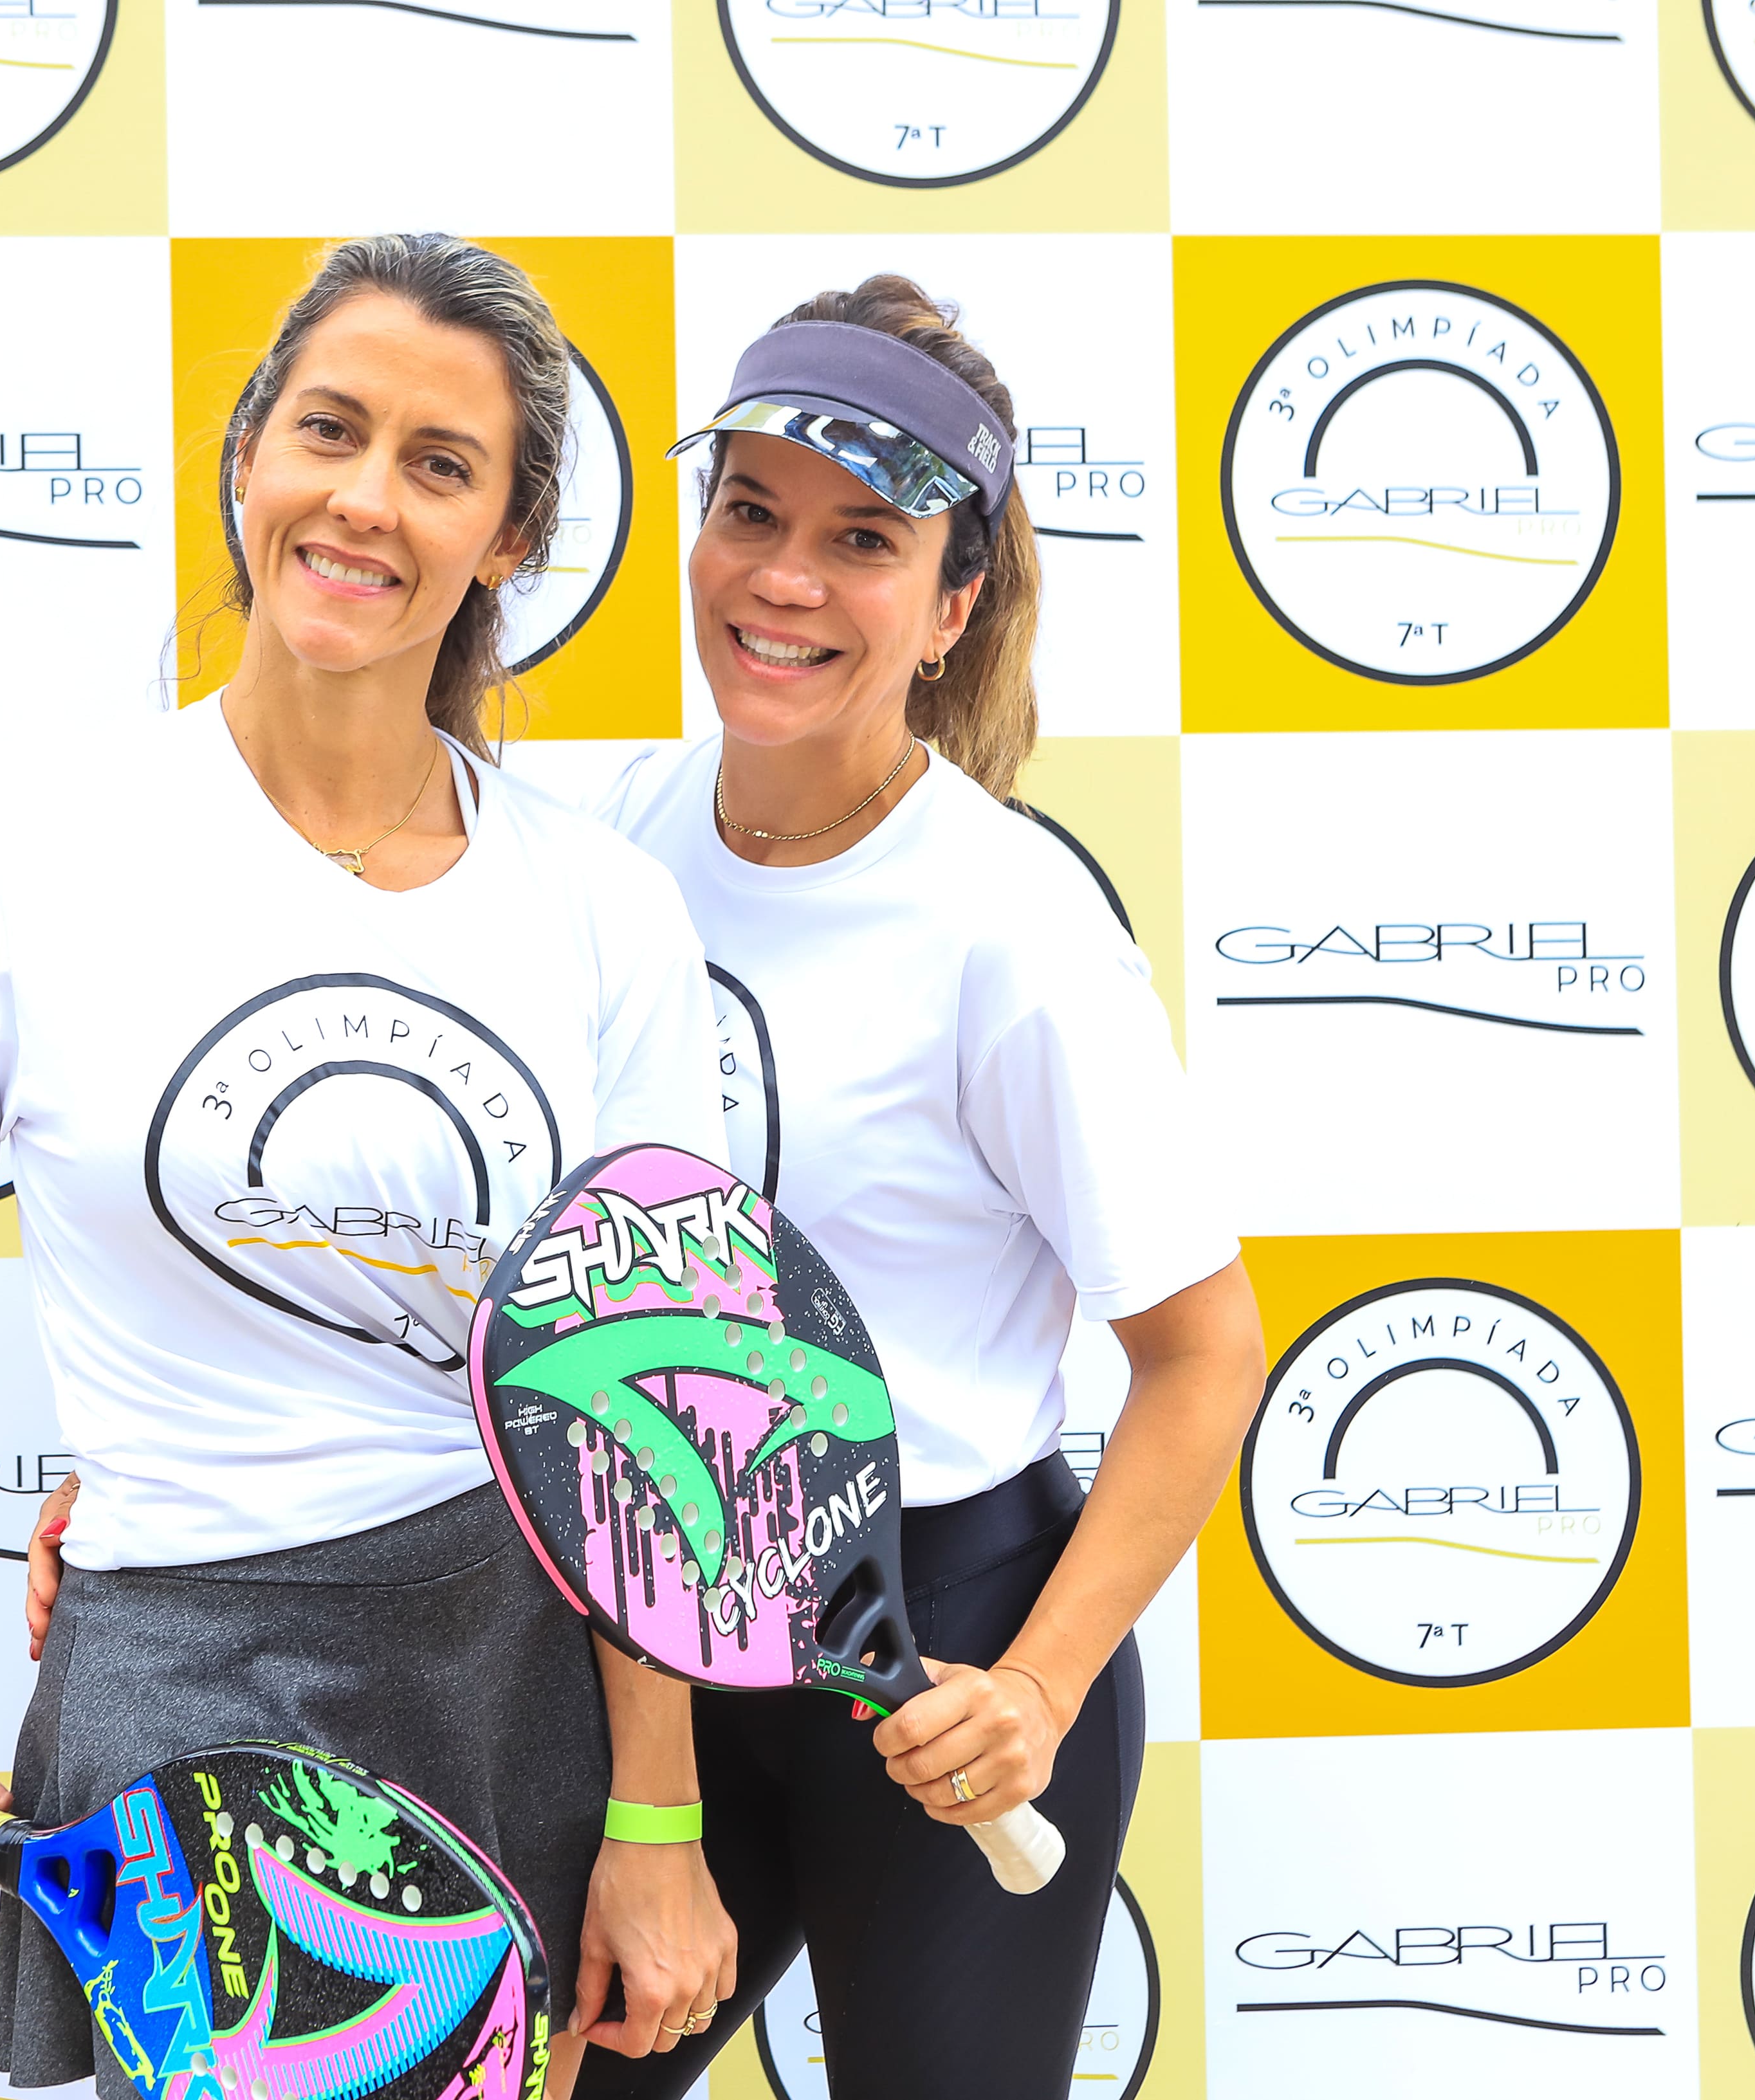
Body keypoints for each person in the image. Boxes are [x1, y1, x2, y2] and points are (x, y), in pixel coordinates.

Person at [0, 233, 740, 2096]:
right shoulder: (26, 826)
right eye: (329, 428)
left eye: (439, 463)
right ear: (246, 456)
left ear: (509, 539)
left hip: (504, 1665)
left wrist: (658, 1814)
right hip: (169, 1660)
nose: (364, 497)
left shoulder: (605, 907)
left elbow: (644, 1403)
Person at [566, 277, 1267, 2097]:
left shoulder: (1011, 926)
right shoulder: (607, 847)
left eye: (863, 541)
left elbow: (1204, 1353)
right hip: (660, 1638)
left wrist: (1035, 1690)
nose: (784, 578)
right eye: (750, 513)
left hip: (943, 1646)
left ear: (954, 605)